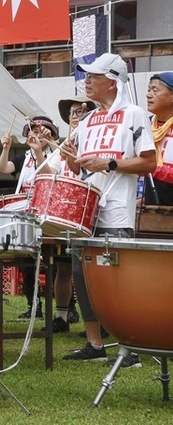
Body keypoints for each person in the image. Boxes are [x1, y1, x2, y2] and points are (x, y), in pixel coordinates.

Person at [62, 53, 155, 364]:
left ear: (113, 82)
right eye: (86, 75)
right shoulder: (87, 120)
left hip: (116, 210)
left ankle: (130, 346)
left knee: (116, 281)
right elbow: (80, 171)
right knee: (82, 277)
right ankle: (95, 344)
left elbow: (149, 162)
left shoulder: (134, 114)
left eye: (93, 76)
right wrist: (72, 161)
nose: (86, 81)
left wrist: (111, 163)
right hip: (84, 211)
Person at [36, 95, 96, 333]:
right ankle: (61, 317)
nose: (74, 115)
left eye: (79, 111)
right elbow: (51, 171)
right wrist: (40, 152)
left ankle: (99, 321)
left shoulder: (93, 139)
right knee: (62, 268)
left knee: (90, 270)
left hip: (89, 209)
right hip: (66, 210)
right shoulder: (63, 144)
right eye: (71, 112)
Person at [0, 114, 59, 318]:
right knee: (26, 259)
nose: (37, 134)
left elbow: (49, 176)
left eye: (42, 131)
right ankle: (34, 305)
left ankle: (61, 306)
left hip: (47, 209)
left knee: (54, 259)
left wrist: (40, 152)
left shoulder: (56, 154)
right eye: (33, 130)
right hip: (25, 208)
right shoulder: (24, 158)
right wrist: (5, 149)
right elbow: (3, 168)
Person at [145, 71, 173, 205]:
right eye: (148, 90)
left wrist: (150, 168)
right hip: (150, 208)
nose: (148, 95)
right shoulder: (145, 124)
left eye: (155, 90)